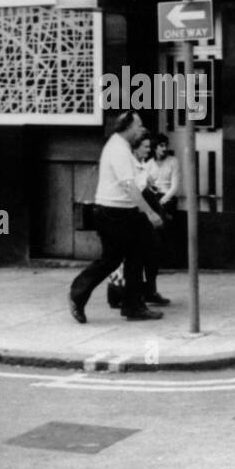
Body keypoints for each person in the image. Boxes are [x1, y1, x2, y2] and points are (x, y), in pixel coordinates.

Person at [68, 111, 165, 323]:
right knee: (111, 259)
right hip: (113, 212)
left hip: (126, 211)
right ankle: (78, 293)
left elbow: (135, 181)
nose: (141, 130)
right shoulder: (118, 149)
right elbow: (128, 185)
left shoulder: (122, 147)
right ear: (128, 128)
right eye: (138, 126)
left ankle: (133, 306)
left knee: (137, 254)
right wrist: (149, 213)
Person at [130, 135, 169, 307]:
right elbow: (136, 192)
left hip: (146, 216)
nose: (148, 149)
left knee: (152, 253)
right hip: (137, 216)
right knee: (133, 258)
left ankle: (148, 291)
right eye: (145, 146)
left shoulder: (142, 165)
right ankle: (127, 295)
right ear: (135, 147)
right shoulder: (130, 165)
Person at [142, 133, 181, 303]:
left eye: (166, 145)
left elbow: (175, 186)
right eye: (161, 145)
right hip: (151, 201)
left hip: (165, 200)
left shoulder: (173, 162)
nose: (164, 149)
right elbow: (143, 186)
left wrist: (162, 201)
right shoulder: (146, 164)